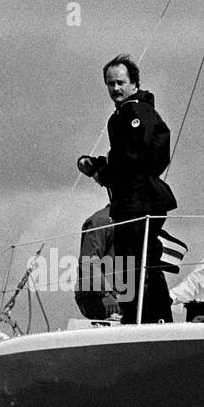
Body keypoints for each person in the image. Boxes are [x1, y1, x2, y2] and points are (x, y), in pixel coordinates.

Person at [77, 54, 178, 324]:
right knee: (142, 260)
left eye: (121, 82)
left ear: (134, 84)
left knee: (132, 262)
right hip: (135, 199)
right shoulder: (128, 113)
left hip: (138, 200)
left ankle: (140, 319)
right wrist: (101, 167)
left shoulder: (135, 112)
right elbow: (129, 157)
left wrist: (102, 170)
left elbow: (133, 157)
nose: (115, 89)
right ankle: (153, 318)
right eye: (110, 84)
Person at [75, 202, 119, 320]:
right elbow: (88, 262)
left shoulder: (135, 220)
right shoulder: (102, 221)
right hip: (100, 296)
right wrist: (106, 293)